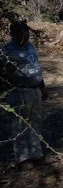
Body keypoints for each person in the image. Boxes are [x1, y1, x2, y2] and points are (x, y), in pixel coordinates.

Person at [0, 20, 48, 170]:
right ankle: (22, 158)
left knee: (35, 123)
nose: (26, 35)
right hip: (19, 91)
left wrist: (42, 87)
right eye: (22, 33)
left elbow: (36, 67)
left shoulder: (30, 46)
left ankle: (36, 154)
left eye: (27, 32)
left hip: (35, 90)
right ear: (13, 34)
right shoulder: (7, 51)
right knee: (21, 125)